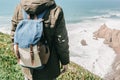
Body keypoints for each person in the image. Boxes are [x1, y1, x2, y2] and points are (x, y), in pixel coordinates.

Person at [11, 0, 69, 80]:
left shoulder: (20, 7)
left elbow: (13, 35)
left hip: (27, 65)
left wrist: (21, 55)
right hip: (49, 68)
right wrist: (65, 61)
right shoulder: (55, 10)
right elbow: (61, 41)